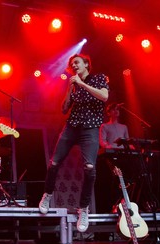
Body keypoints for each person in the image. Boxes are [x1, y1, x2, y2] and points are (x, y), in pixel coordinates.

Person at [38, 54, 109, 233]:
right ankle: (47, 195)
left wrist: (82, 84)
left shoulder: (98, 78)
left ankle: (83, 208)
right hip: (72, 127)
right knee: (53, 163)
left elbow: (104, 96)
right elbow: (64, 109)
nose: (73, 65)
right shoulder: (74, 83)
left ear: (86, 64)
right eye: (71, 64)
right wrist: (70, 88)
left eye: (76, 62)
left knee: (90, 169)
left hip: (90, 129)